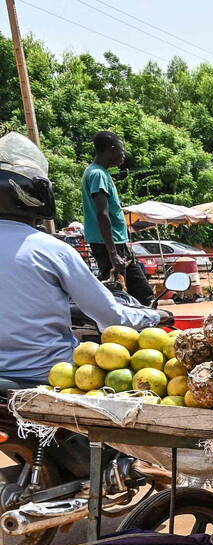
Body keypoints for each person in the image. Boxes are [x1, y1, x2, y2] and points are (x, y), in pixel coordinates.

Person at [1, 133, 166, 388]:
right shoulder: (52, 250)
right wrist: (155, 317)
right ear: (38, 193)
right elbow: (111, 317)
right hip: (49, 374)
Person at [81, 132, 154, 307]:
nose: (123, 154)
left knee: (140, 296)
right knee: (124, 297)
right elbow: (102, 214)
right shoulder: (97, 174)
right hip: (109, 246)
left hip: (115, 244)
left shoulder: (99, 172)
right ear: (112, 149)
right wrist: (113, 254)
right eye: (122, 150)